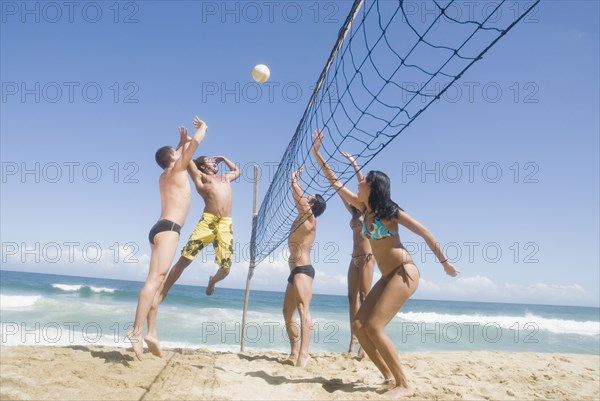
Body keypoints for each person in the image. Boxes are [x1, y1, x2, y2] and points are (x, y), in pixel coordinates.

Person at [311, 130, 459, 397]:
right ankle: (390, 377)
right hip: (387, 275)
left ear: (373, 187)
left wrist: (445, 263)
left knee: (374, 327)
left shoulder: (390, 212)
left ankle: (405, 385)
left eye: (364, 180)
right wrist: (317, 154)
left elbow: (425, 232)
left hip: (404, 272)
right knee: (359, 325)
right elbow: (333, 181)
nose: (359, 182)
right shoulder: (363, 208)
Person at [127, 116, 208, 361]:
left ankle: (152, 333)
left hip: (158, 229)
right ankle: (136, 331)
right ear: (173, 158)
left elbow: (179, 151)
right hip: (170, 229)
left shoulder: (165, 174)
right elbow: (194, 144)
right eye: (176, 152)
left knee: (158, 283)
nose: (179, 152)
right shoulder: (178, 168)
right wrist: (202, 127)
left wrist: (179, 143)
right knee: (154, 281)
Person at [144, 154, 241, 356]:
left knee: (225, 269)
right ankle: (163, 292)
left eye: (215, 161)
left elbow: (237, 171)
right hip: (208, 221)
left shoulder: (224, 178)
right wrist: (188, 142)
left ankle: (212, 282)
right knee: (184, 260)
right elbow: (188, 161)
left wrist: (224, 157)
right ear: (202, 166)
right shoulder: (201, 178)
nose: (214, 162)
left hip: (225, 225)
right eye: (210, 160)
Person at [283, 166, 326, 367]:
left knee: (303, 310)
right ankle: (294, 349)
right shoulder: (301, 218)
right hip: (294, 272)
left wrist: (294, 179)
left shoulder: (310, 219)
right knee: (286, 312)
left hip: (303, 271)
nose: (305, 197)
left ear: (312, 205)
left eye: (309, 198)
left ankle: (304, 354)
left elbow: (296, 193)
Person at [339, 151, 375, 356]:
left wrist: (353, 163)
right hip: (354, 258)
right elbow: (339, 190)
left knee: (365, 297)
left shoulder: (368, 210)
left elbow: (361, 181)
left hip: (369, 256)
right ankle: (353, 339)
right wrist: (329, 172)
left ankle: (367, 339)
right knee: (352, 298)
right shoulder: (353, 212)